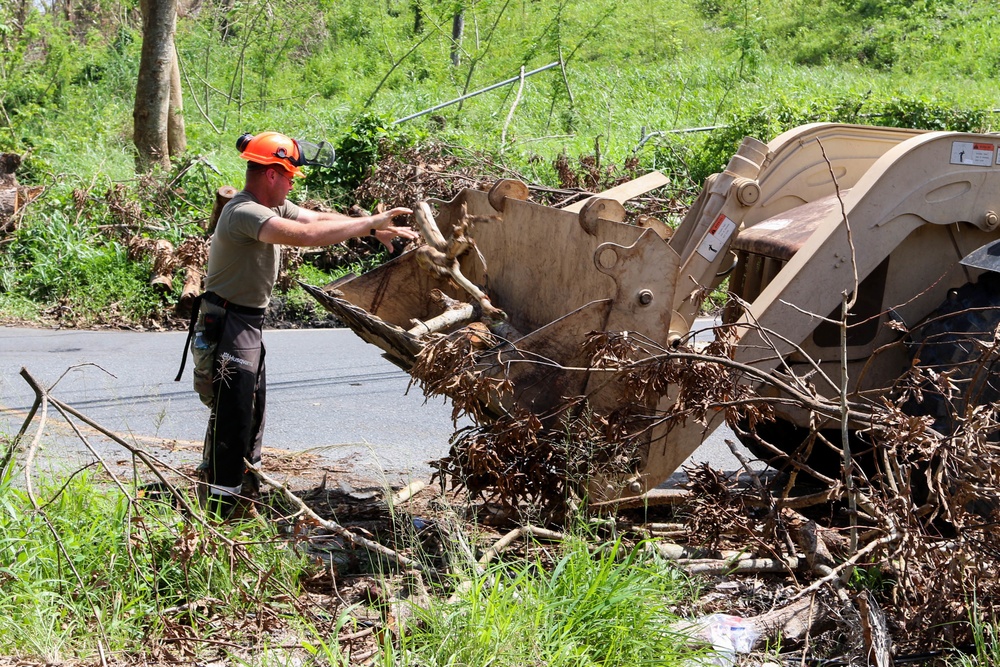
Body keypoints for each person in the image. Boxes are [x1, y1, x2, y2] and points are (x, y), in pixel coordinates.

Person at [176, 131, 417, 520]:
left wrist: (372, 228)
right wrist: (370, 221)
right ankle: (220, 512)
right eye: (289, 177)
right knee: (233, 419)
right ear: (272, 174)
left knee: (250, 413)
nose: (291, 185)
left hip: (244, 322)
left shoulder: (270, 205)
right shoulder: (244, 212)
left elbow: (317, 219)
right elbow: (306, 236)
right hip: (228, 322)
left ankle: (241, 496)